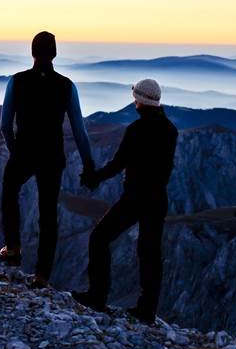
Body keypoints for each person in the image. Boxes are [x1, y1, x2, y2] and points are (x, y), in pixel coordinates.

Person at [73, 78, 178, 324]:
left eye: (135, 98)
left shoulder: (137, 130)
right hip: (157, 198)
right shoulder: (170, 130)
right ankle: (147, 310)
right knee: (150, 252)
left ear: (140, 100)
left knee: (99, 238)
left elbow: (118, 164)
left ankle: (97, 296)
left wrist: (93, 178)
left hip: (135, 197)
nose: (134, 103)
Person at [0, 31, 95, 287]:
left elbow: (4, 124)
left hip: (24, 151)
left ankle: (13, 247)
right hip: (52, 155)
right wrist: (88, 163)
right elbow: (79, 131)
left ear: (32, 52)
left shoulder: (16, 81)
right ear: (54, 53)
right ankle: (42, 275)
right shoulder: (66, 85)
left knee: (10, 190)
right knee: (48, 212)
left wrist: (13, 149)